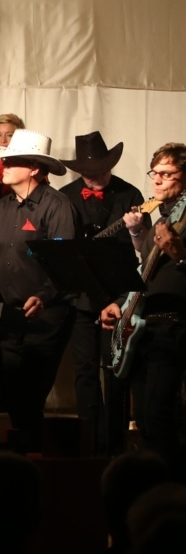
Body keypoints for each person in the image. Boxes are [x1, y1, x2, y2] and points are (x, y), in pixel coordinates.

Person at [0, 129, 74, 454]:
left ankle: (30, 463)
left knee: (30, 396)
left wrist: (45, 296)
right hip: (10, 316)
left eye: (12, 161)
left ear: (34, 168)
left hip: (45, 317)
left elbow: (64, 264)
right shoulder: (2, 207)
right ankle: (22, 461)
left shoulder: (57, 205)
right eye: (4, 161)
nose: (4, 166)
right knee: (13, 395)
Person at [101, 143, 186, 471]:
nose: (158, 180)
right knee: (144, 418)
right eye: (155, 173)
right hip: (144, 326)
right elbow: (143, 272)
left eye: (167, 174)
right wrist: (118, 304)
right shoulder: (162, 217)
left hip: (173, 326)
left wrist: (179, 253)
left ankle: (173, 487)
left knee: (159, 413)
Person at [58, 131, 143, 455]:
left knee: (116, 368)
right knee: (84, 370)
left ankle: (116, 444)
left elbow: (141, 247)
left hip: (118, 295)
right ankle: (90, 442)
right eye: (87, 172)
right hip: (80, 296)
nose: (94, 177)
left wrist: (136, 227)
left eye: (100, 170)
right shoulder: (65, 196)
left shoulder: (130, 193)